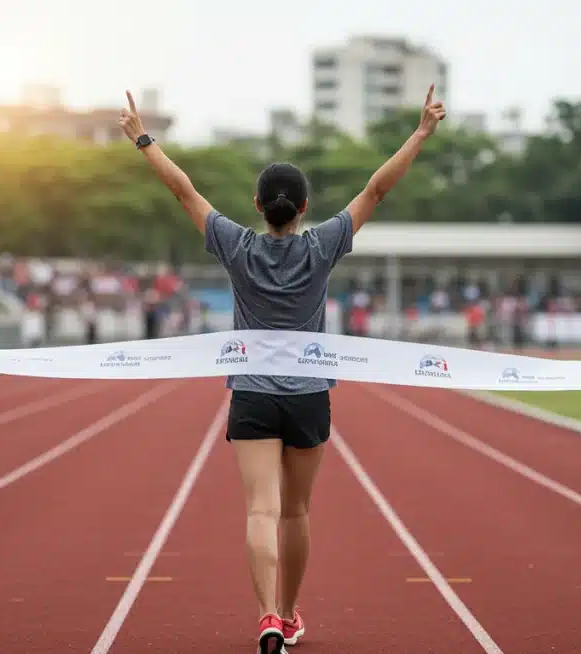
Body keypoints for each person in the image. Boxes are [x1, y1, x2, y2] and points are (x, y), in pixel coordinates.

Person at [119, 85, 445, 653]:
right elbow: (377, 189)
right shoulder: (323, 245)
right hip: (309, 393)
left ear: (257, 205)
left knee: (261, 509)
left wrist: (143, 140)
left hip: (251, 392)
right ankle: (290, 613)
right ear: (303, 209)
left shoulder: (235, 245)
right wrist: (419, 133)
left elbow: (184, 192)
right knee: (295, 512)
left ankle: (268, 614)